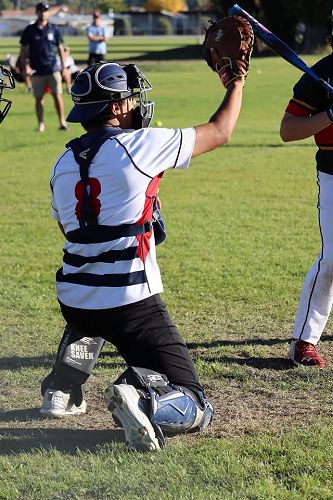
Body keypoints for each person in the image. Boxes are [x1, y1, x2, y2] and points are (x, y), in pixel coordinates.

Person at [39, 25, 251, 451]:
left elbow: (69, 228)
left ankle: (60, 390)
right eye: (130, 97)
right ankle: (142, 397)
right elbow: (221, 130)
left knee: (89, 310)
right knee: (194, 400)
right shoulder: (141, 144)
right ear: (115, 107)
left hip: (75, 297)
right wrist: (235, 81)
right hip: (131, 303)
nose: (137, 103)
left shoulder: (62, 161)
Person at [280, 51, 333, 368]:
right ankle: (304, 340)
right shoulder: (321, 76)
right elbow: (288, 130)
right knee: (332, 260)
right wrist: (330, 113)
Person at [19, 2, 70, 132]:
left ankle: (62, 122)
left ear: (48, 13)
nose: (43, 13)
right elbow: (24, 50)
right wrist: (26, 66)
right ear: (36, 12)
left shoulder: (54, 29)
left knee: (57, 95)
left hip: (52, 68)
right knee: (39, 98)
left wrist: (64, 67)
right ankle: (41, 124)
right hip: (37, 70)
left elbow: (60, 48)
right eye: (41, 11)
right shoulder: (29, 30)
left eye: (45, 11)